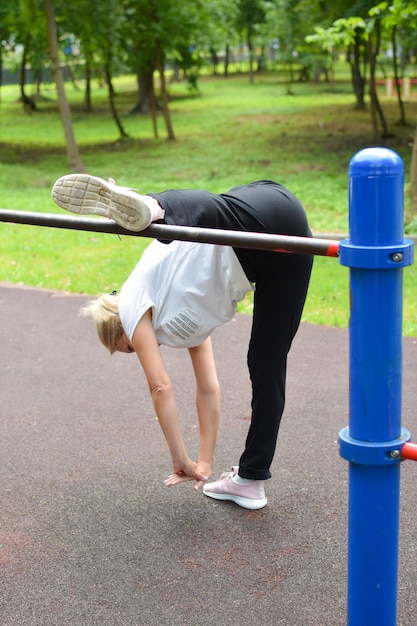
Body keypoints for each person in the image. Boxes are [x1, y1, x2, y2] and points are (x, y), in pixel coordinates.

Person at [52, 174, 313, 510]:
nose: (142, 350)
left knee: (213, 210)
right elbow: (208, 388)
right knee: (267, 362)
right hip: (281, 251)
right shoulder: (180, 319)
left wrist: (179, 458)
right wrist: (203, 463)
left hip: (250, 220)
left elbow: (161, 388)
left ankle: (148, 204)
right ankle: (251, 479)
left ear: (122, 328)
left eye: (129, 347)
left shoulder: (132, 305)